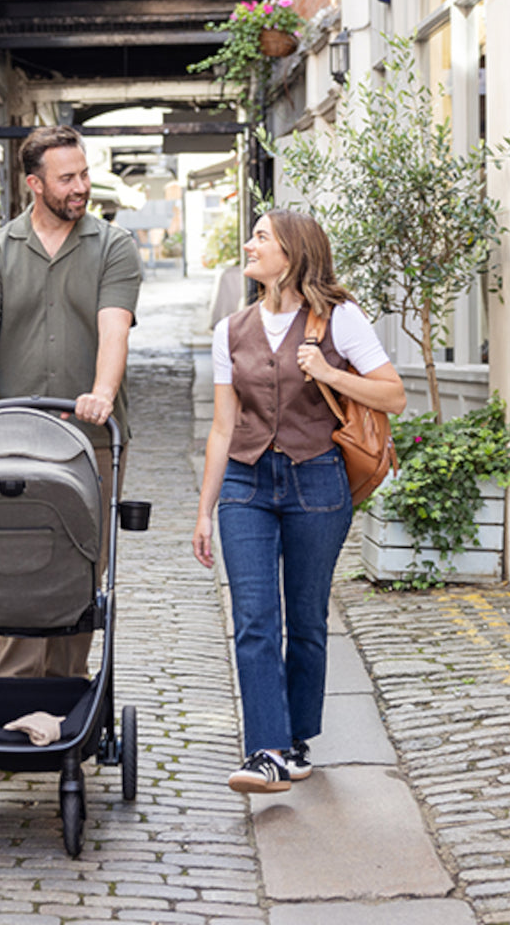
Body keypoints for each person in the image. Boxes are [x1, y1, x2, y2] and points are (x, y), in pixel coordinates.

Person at [192, 209, 406, 794]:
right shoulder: (231, 331)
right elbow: (221, 427)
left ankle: (297, 737)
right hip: (246, 483)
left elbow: (394, 395)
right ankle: (265, 750)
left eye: (262, 236)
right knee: (254, 619)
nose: (249, 243)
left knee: (306, 620)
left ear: (293, 251)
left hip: (317, 483)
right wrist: (206, 509)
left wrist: (331, 374)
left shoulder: (341, 321)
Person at [0, 125, 142, 679]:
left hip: (93, 437)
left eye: (84, 174)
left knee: (82, 563)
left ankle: (68, 693)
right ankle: (14, 690)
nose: (81, 187)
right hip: (17, 436)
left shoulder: (113, 247)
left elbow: (115, 332)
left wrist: (102, 394)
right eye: (68, 178)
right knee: (19, 556)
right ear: (35, 184)